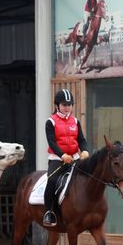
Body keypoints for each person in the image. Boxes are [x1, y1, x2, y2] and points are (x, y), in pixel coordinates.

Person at [43, 89, 90, 227]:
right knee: (52, 179)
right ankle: (49, 212)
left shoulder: (75, 121)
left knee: (88, 178)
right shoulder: (50, 122)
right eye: (64, 105)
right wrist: (62, 155)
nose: (67, 107)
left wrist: (85, 150)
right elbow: (51, 141)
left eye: (70, 104)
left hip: (75, 158)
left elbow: (81, 139)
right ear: (57, 105)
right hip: (57, 159)